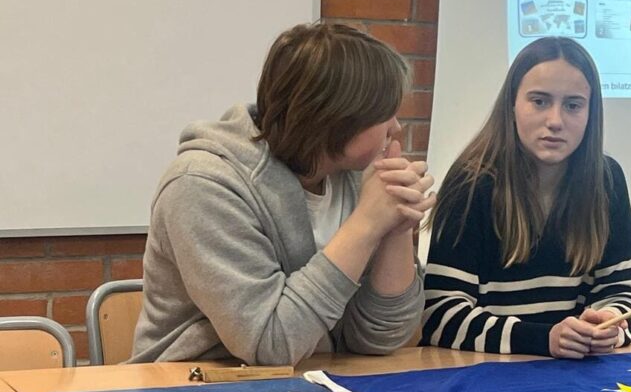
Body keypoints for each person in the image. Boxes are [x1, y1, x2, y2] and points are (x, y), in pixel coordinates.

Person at [132, 22, 433, 364]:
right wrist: (365, 225)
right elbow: (271, 345)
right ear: (337, 118)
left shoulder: (354, 177)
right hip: (191, 384)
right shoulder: (200, 184)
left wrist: (396, 223)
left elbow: (380, 337)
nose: (396, 127)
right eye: (385, 114)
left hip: (312, 379)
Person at [423, 37, 631, 356]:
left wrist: (611, 324)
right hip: (487, 375)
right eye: (539, 101)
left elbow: (630, 295)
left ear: (591, 113)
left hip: (575, 374)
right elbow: (440, 318)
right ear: (512, 105)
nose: (555, 121)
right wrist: (544, 340)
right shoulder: (470, 184)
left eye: (573, 105)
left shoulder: (606, 180)